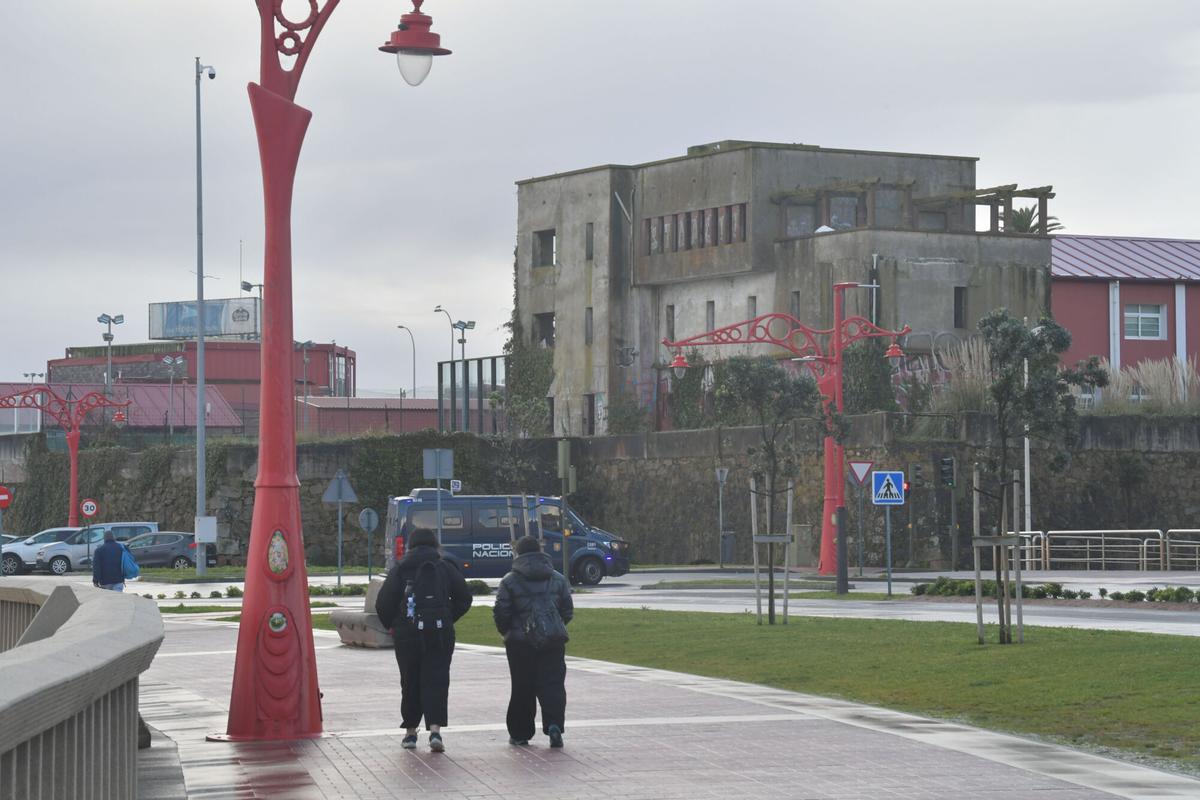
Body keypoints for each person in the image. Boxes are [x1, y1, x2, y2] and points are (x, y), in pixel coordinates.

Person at [375, 528, 472, 752]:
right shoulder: (445, 566)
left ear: (410, 545)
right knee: (437, 679)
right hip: (439, 633)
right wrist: (447, 617)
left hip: (407, 635)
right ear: (434, 544)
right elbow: (464, 598)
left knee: (410, 680)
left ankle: (410, 732)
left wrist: (395, 625)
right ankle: (435, 731)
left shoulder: (400, 568)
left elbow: (383, 603)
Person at [493, 535, 574, 748]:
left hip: (520, 644)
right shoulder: (557, 578)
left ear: (518, 554)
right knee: (553, 684)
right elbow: (567, 610)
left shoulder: (509, 581)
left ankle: (520, 733)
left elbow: (501, 611)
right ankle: (554, 724)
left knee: (522, 687)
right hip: (553, 641)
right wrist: (550, 627)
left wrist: (508, 632)